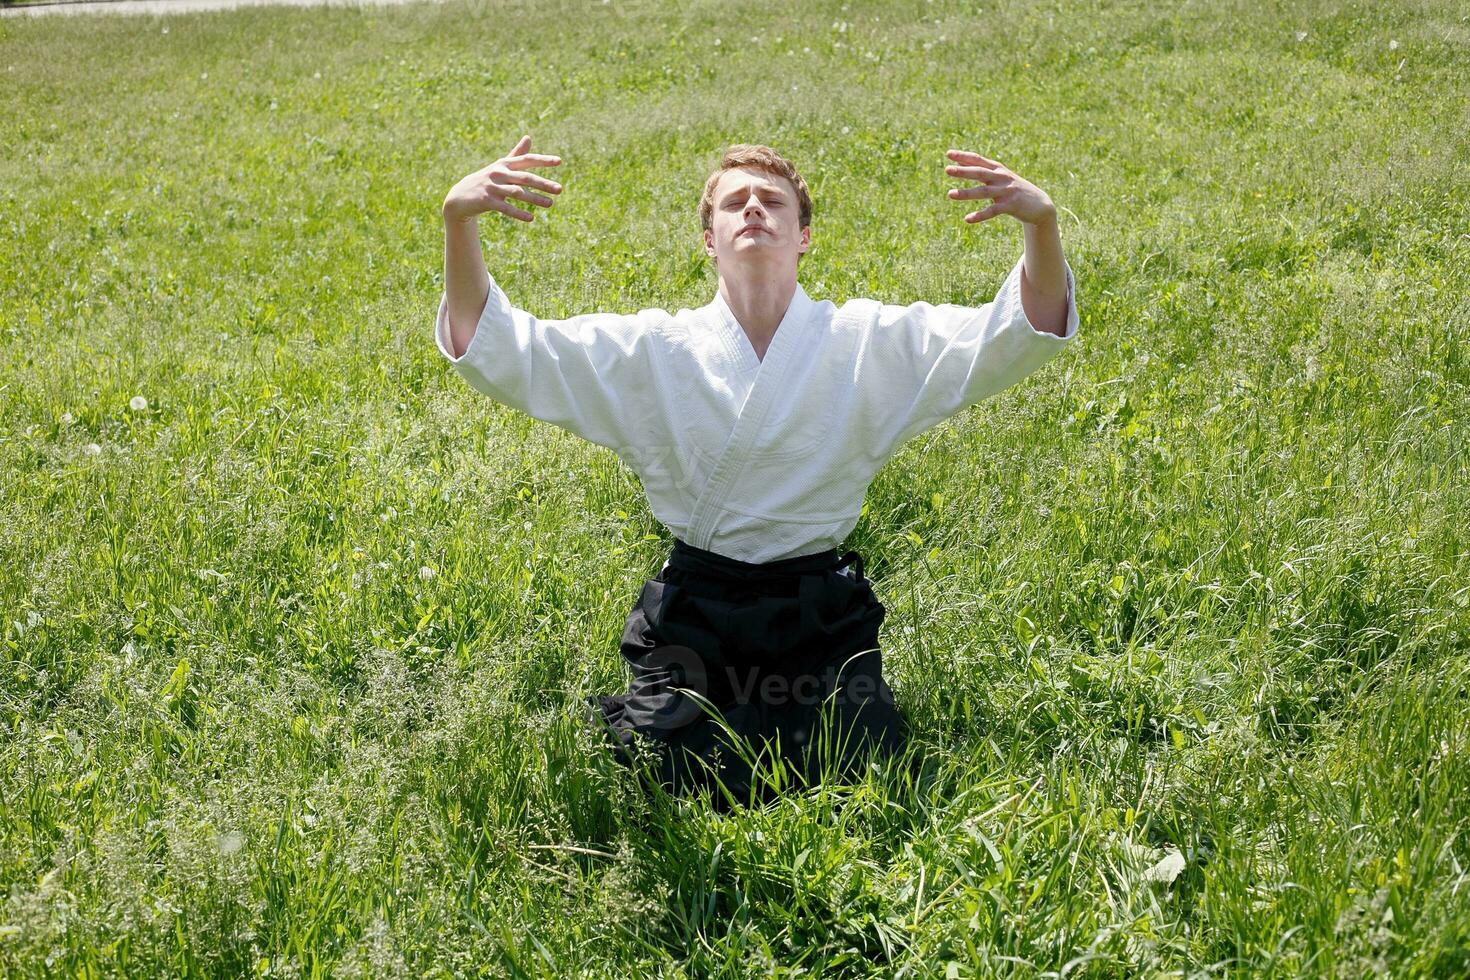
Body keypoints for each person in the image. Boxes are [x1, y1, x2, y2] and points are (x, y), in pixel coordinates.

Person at [437, 135, 1078, 808]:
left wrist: (1042, 224)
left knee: (856, 768)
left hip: (816, 610)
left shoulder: (863, 341)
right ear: (709, 240)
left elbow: (1011, 334)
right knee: (664, 772)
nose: (753, 210)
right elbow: (511, 351)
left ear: (802, 236)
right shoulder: (653, 350)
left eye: (772, 201)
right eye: (734, 203)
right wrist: (460, 222)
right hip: (698, 611)